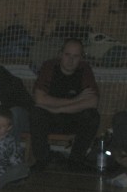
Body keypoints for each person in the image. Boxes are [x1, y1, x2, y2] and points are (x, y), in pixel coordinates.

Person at [29, 38, 100, 170]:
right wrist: (77, 99)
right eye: (67, 55)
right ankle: (42, 160)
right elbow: (39, 99)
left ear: (81, 58)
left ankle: (75, 160)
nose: (70, 60)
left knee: (92, 116)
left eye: (75, 56)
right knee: (36, 113)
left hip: (72, 118)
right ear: (61, 54)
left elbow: (93, 102)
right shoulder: (49, 66)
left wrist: (58, 108)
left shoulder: (84, 69)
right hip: (51, 119)